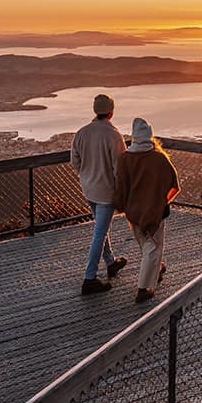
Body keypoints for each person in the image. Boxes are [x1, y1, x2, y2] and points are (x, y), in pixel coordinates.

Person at [114, 117, 180, 304]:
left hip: (133, 211)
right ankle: (144, 287)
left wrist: (121, 206)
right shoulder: (159, 158)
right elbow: (173, 183)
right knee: (153, 246)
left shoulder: (125, 158)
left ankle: (157, 269)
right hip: (154, 211)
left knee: (146, 244)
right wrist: (160, 200)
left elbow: (121, 186)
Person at [71, 93, 128, 295]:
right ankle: (90, 278)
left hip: (88, 188)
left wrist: (87, 174)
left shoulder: (81, 133)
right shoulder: (114, 136)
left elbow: (75, 161)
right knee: (99, 233)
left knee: (101, 228)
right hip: (106, 192)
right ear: (111, 112)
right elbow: (119, 168)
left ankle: (111, 262)